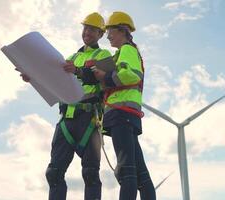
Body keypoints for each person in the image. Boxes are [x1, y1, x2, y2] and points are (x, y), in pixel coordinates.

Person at [20, 12, 111, 200]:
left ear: (101, 34)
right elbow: (53, 83)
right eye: (86, 28)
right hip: (66, 120)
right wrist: (33, 78)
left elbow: (104, 79)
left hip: (89, 119)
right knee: (53, 173)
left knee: (90, 173)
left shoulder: (103, 55)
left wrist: (78, 71)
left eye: (93, 30)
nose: (88, 32)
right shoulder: (70, 57)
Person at [93, 11, 156, 200]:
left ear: (122, 30)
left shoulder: (127, 50)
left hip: (122, 114)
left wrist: (106, 77)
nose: (108, 36)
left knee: (126, 171)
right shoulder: (122, 53)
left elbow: (133, 76)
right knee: (140, 174)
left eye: (110, 31)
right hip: (125, 115)